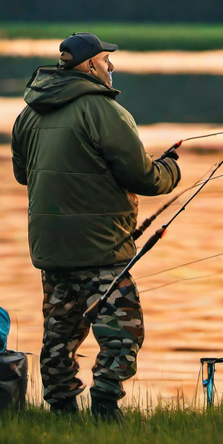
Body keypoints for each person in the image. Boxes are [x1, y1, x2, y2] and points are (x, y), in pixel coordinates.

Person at [11, 32, 181, 420]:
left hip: (50, 248)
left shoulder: (27, 113)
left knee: (60, 333)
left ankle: (61, 408)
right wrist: (171, 168)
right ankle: (105, 404)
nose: (111, 66)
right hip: (99, 248)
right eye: (107, 60)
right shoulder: (103, 109)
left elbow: (24, 175)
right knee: (124, 333)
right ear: (89, 66)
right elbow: (144, 178)